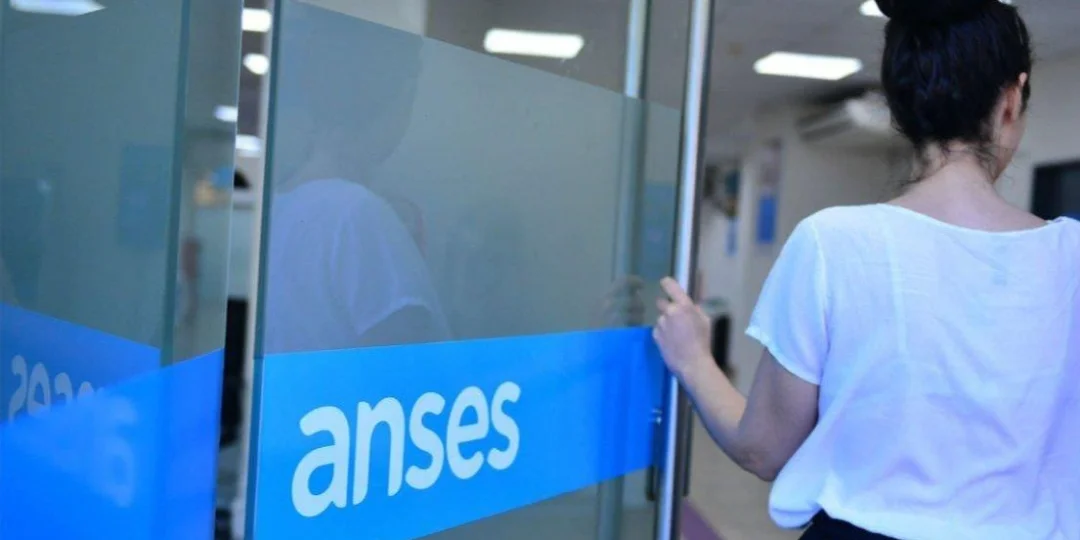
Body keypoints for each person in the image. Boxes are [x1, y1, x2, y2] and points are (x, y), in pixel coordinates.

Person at [653, 1, 1080, 538]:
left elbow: (763, 449)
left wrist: (692, 358)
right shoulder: (1071, 255)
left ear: (898, 104)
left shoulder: (833, 242)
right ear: (1012, 99)